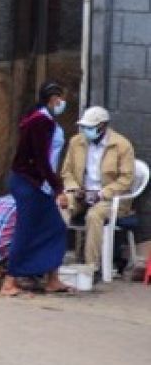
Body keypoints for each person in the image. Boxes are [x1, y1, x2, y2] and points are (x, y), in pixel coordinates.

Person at [3, 82, 71, 296]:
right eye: (61, 99)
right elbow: (42, 159)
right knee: (26, 230)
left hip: (37, 185)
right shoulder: (41, 122)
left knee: (55, 228)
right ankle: (9, 280)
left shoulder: (42, 119)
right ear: (54, 99)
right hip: (30, 183)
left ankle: (52, 278)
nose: (63, 103)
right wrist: (58, 188)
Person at [60, 106, 137, 273]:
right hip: (81, 193)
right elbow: (67, 172)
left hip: (109, 198)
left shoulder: (122, 145)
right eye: (84, 127)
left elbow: (126, 179)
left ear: (102, 126)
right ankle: (54, 263)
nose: (85, 130)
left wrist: (101, 194)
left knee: (94, 216)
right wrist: (74, 189)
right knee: (61, 206)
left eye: (90, 127)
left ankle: (90, 267)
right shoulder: (76, 142)